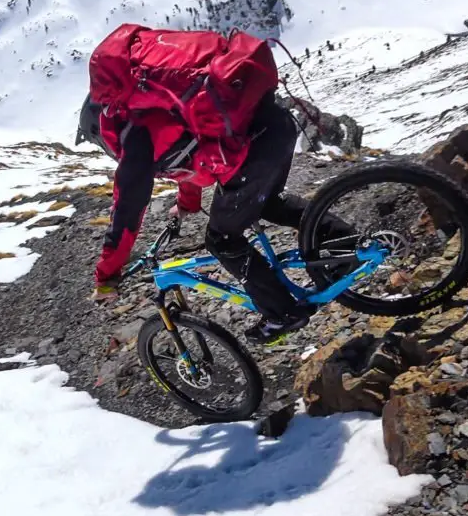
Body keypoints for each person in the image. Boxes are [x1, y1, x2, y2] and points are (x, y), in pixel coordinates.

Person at [79, 89, 347, 345]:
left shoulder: (133, 138)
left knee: (221, 240)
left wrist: (106, 275)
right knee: (268, 204)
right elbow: (187, 156)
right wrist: (187, 203)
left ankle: (283, 313)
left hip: (252, 147)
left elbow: (126, 211)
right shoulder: (156, 115)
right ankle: (346, 244)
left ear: (100, 130)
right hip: (274, 126)